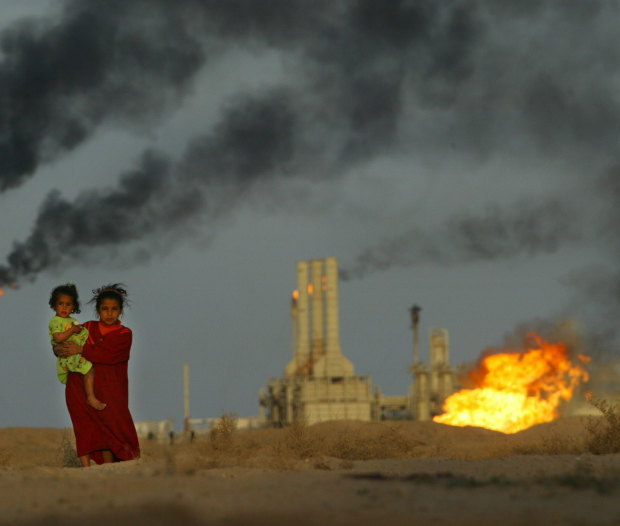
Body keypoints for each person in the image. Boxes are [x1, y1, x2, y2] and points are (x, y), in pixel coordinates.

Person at [54, 283, 140, 467]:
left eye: (114, 309)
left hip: (111, 390)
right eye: (105, 309)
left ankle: (116, 467)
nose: (109, 313)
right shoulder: (87, 328)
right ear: (98, 310)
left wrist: (80, 349)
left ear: (121, 311)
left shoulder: (125, 334)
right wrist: (59, 348)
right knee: (87, 427)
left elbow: (107, 353)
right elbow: (64, 346)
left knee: (114, 427)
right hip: (80, 387)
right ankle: (93, 470)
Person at [49, 283, 106, 411]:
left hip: (73, 354)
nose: (64, 307)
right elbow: (58, 338)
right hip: (69, 357)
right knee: (89, 369)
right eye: (60, 304)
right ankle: (91, 397)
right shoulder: (56, 321)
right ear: (54, 305)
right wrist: (72, 331)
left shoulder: (71, 320)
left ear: (73, 306)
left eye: (68, 304)